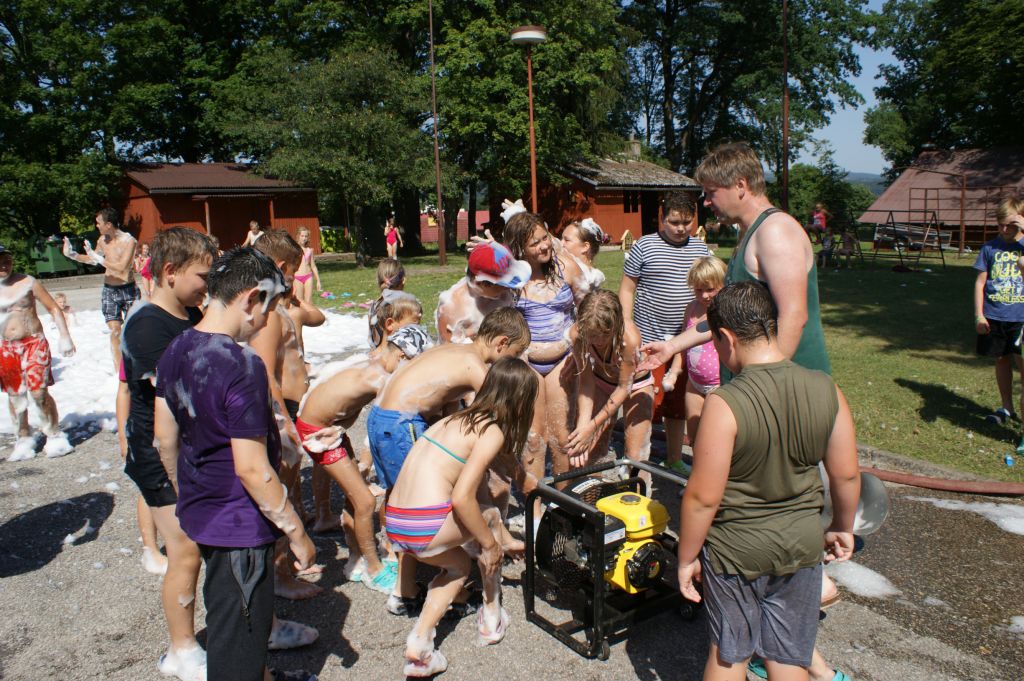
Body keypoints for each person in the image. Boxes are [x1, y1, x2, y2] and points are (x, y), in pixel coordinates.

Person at [643, 143, 843, 681]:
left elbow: (792, 317)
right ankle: (770, 619)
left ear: (740, 185)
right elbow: (737, 319)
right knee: (748, 506)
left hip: (780, 399)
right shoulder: (749, 235)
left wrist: (766, 388)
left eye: (710, 193)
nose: (706, 203)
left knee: (776, 502)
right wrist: (675, 344)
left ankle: (794, 602)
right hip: (760, 394)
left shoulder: (776, 233)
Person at [676, 281, 860, 681]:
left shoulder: (725, 403)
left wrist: (687, 557)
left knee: (729, 654)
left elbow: (703, 498)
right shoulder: (827, 388)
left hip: (736, 552)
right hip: (802, 545)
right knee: (789, 655)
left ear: (726, 338)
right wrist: (842, 526)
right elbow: (845, 474)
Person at [154, 247, 317, 681]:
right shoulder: (241, 364)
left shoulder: (178, 347)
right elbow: (251, 468)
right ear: (250, 298)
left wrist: (188, 493)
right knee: (239, 634)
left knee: (232, 614)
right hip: (239, 525)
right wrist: (297, 533)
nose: (266, 321)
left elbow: (164, 438)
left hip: (203, 510)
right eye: (269, 308)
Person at [369, 307, 530, 615]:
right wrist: (521, 476)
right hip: (403, 423)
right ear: (501, 344)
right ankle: (448, 587)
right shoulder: (475, 368)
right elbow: (491, 421)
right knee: (419, 502)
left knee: (402, 495)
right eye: (515, 353)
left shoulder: (456, 350)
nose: (516, 360)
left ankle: (405, 589)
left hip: (381, 418)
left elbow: (450, 410)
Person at [387, 358, 539, 677]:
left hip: (396, 522)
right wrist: (491, 545)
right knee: (490, 519)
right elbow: (462, 498)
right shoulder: (491, 432)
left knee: (457, 565)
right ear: (521, 401)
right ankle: (491, 616)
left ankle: (420, 645)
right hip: (424, 525)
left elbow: (469, 494)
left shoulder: (455, 420)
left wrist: (497, 538)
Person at [120, 227, 216, 681]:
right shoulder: (147, 324)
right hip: (158, 453)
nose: (207, 286)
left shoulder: (190, 312)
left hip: (189, 447)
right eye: (203, 276)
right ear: (171, 271)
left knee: (202, 546)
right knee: (185, 550)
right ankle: (181, 649)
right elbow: (179, 392)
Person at [297, 324, 432, 594]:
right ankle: (373, 568)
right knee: (365, 501)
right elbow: (391, 417)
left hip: (322, 425)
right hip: (319, 434)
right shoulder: (379, 379)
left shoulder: (374, 360)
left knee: (354, 495)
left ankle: (355, 558)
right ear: (401, 356)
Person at [249, 229, 322, 600]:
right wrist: (285, 421)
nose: (295, 278)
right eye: (293, 271)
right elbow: (266, 374)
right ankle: (280, 574)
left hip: (287, 407)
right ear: (280, 267)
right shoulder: (269, 317)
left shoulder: (275, 308)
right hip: (281, 410)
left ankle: (286, 562)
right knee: (280, 491)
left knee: (289, 486)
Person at [618, 191, 709, 472]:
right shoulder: (645, 246)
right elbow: (627, 288)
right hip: (649, 338)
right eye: (674, 222)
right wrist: (627, 324)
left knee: (677, 404)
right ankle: (635, 460)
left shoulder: (700, 249)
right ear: (662, 219)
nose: (681, 228)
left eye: (687, 222)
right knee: (643, 399)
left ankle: (674, 458)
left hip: (687, 341)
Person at [565, 290, 654, 477]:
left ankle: (636, 490)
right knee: (592, 451)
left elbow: (623, 388)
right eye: (592, 335)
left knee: (636, 455)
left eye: (604, 335)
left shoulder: (629, 339)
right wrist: (584, 427)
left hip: (636, 384)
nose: (598, 341)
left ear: (616, 325)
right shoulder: (577, 335)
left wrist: (592, 426)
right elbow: (586, 382)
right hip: (602, 380)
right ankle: (593, 491)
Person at [1, 245, 76, 461]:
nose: (4, 265)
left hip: (34, 343)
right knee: (16, 396)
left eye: (7, 260)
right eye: (0, 261)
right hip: (7, 348)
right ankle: (23, 437)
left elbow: (53, 307)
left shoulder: (27, 282)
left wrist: (65, 336)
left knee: (38, 392)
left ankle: (53, 434)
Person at [62, 207, 139, 369]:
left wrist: (99, 259)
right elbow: (92, 259)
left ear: (108, 224)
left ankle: (135, 364)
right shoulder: (102, 240)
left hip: (129, 290)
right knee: (115, 331)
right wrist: (72, 255)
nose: (96, 226)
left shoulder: (129, 241)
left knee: (133, 331)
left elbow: (122, 267)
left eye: (98, 223)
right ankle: (119, 372)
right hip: (109, 290)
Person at [974, 197, 1024, 429]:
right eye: (1000, 225)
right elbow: (980, 283)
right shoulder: (989, 248)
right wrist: (979, 315)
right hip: (995, 315)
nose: (1004, 230)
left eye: (1010, 225)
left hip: (1021, 318)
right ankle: (1007, 407)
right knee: (1001, 359)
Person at [678, 256, 727, 467]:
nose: (704, 295)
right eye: (698, 290)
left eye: (710, 289)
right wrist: (674, 371)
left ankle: (720, 476)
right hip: (694, 384)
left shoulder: (725, 311)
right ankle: (698, 475)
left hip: (719, 385)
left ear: (722, 284)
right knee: (695, 436)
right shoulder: (691, 308)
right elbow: (682, 343)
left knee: (715, 438)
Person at [435, 241, 530, 343]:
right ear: (480, 283)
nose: (507, 289)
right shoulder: (451, 307)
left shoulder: (502, 295)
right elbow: (448, 348)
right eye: (503, 285)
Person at [367, 258, 409, 348]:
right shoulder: (406, 306)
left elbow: (371, 340)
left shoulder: (374, 307)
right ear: (403, 280)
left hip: (375, 353)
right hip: (396, 354)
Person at [560, 217, 608, 294]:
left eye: (567, 240)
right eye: (561, 239)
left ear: (585, 247)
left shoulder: (590, 279)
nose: (561, 243)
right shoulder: (561, 267)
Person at [293, 227, 321, 303]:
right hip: (297, 277)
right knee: (300, 301)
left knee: (308, 302)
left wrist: (318, 280)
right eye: (302, 236)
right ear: (298, 236)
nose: (304, 238)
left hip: (308, 276)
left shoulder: (309, 250)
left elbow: (313, 266)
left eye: (306, 236)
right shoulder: (294, 249)